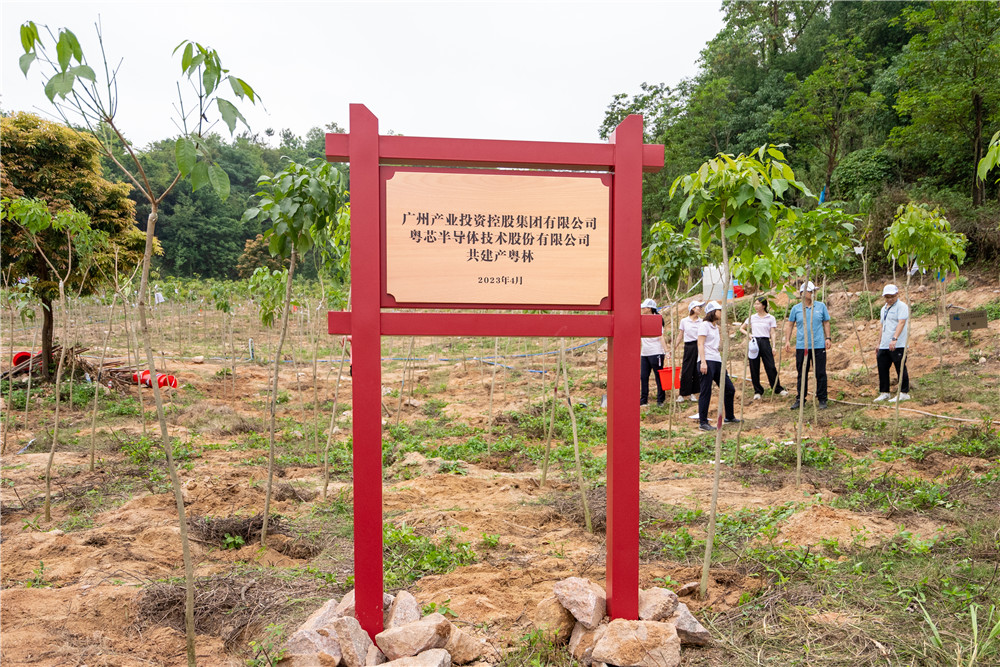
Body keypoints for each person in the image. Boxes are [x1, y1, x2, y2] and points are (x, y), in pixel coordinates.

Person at [784, 282, 831, 410]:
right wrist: (787, 340)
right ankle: (800, 399)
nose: (813, 294)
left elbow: (826, 322)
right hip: (802, 346)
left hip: (818, 345)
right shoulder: (796, 309)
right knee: (802, 373)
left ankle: (822, 398)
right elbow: (790, 324)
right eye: (811, 291)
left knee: (820, 372)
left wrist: (828, 338)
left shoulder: (820, 306)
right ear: (803, 293)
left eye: (813, 291)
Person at [697, 301, 739, 431]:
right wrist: (703, 362)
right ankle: (703, 422)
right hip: (707, 360)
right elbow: (700, 344)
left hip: (716, 360)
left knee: (729, 388)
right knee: (706, 391)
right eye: (719, 310)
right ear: (713, 312)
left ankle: (729, 416)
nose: (721, 313)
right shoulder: (704, 325)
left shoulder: (715, 327)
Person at [739, 297, 787, 399]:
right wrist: (749, 335)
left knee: (770, 366)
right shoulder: (752, 317)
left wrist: (774, 346)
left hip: (765, 342)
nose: (756, 306)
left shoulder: (770, 318)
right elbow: (741, 328)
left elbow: (772, 333)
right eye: (755, 304)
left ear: (764, 306)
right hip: (754, 342)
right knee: (754, 367)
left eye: (758, 304)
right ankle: (758, 391)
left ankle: (777, 388)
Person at [874, 284, 910, 403]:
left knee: (900, 367)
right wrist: (879, 343)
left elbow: (901, 323)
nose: (889, 299)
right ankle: (884, 392)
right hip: (884, 344)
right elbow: (882, 326)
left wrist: (894, 338)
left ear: (897, 294)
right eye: (887, 297)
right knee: (882, 367)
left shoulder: (902, 306)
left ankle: (904, 392)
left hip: (898, 344)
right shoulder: (883, 309)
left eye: (892, 296)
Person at [639, 298, 668, 407]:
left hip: (656, 352)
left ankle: (660, 400)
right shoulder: (641, 319)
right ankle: (643, 399)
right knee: (643, 376)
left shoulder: (657, 320)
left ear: (650, 308)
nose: (642, 309)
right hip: (645, 353)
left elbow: (661, 336)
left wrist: (666, 351)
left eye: (644, 307)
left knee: (658, 376)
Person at [677, 300, 704, 402]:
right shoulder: (684, 321)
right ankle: (683, 393)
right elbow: (680, 335)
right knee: (686, 369)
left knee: (696, 369)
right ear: (692, 308)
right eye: (698, 307)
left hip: (699, 345)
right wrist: (674, 347)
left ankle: (694, 392)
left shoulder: (702, 321)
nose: (700, 309)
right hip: (689, 346)